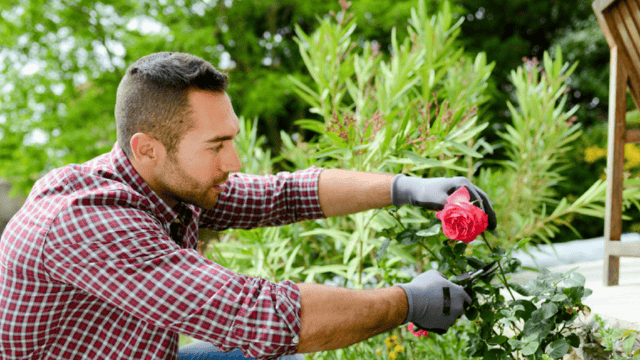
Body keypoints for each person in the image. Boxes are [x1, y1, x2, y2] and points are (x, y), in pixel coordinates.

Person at [0, 52, 497, 360]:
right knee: (271, 343)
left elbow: (283, 194)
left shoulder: (166, 183)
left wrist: (408, 188)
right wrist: (410, 301)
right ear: (147, 146)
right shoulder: (88, 222)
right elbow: (263, 315)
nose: (234, 162)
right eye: (216, 146)